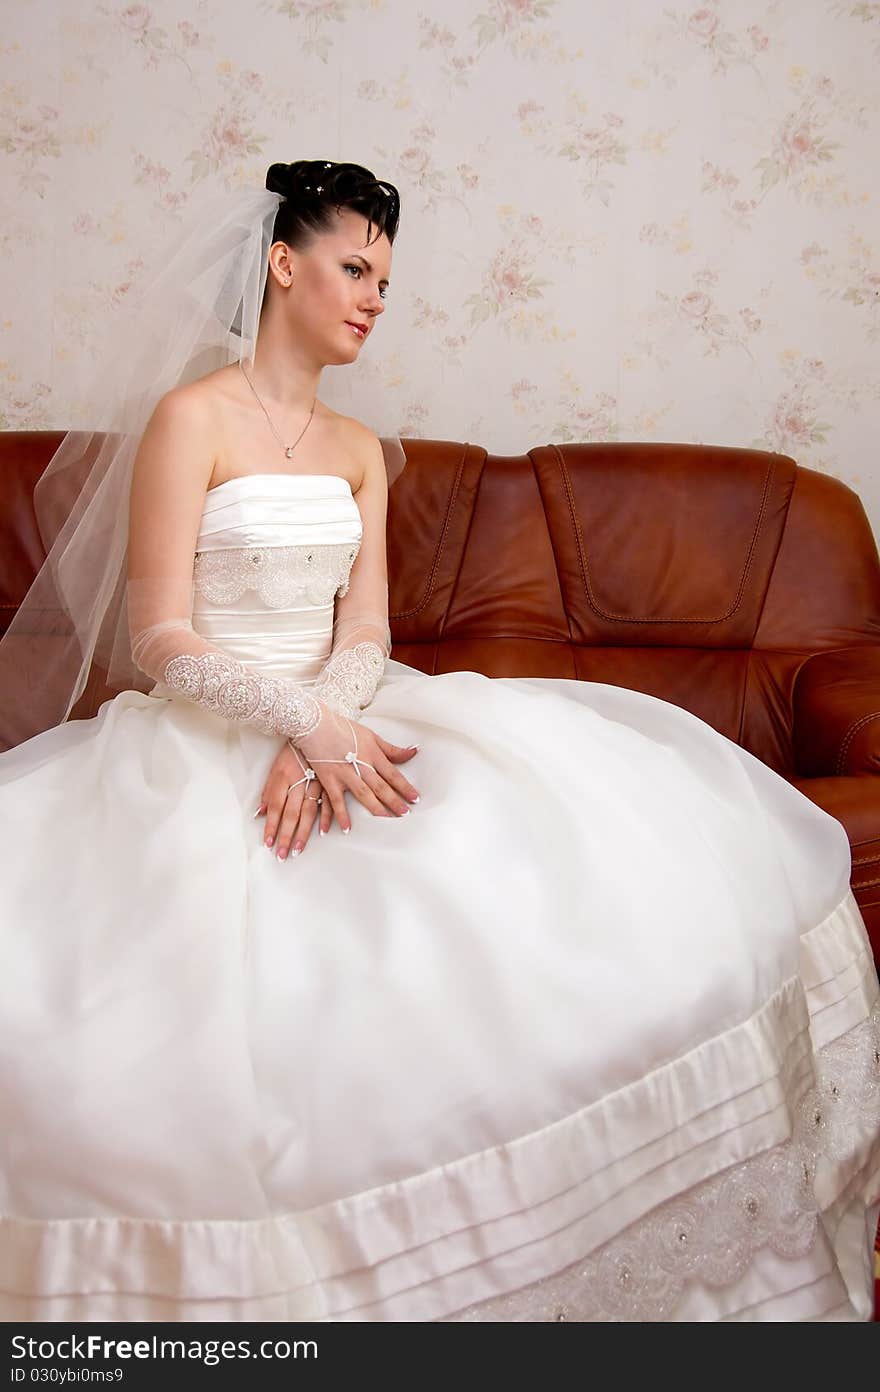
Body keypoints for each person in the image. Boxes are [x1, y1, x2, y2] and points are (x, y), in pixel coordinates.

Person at [0, 160, 877, 1324]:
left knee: (559, 890)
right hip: (216, 729)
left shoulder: (360, 445)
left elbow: (366, 624)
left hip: (353, 716)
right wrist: (295, 721)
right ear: (282, 263)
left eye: (385, 280)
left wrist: (335, 722)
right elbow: (160, 634)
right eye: (354, 267)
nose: (372, 297)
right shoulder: (188, 420)